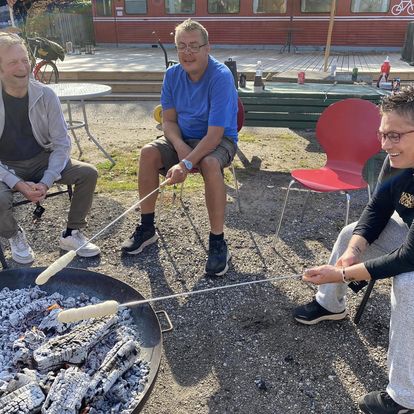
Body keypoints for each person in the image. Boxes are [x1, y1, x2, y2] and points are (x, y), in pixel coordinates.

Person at [294, 86, 414, 413]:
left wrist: (343, 272)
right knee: (350, 233)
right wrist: (354, 249)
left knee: (408, 284)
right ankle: (330, 304)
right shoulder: (398, 159)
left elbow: (408, 259)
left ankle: (404, 398)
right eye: (382, 135)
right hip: (410, 233)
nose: (385, 145)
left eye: (395, 136)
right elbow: (377, 207)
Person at [121, 18, 238, 276]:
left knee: (208, 162)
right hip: (183, 137)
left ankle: (218, 242)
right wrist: (180, 147)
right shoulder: (172, 75)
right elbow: (169, 121)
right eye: (182, 46)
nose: (187, 52)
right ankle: (147, 227)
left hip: (219, 139)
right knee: (148, 153)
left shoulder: (220, 77)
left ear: (208, 48)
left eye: (194, 46)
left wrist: (186, 162)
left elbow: (215, 134)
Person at [0, 32, 100, 264]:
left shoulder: (46, 95)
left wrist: (46, 180)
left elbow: (62, 144)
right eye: (13, 62)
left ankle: (71, 233)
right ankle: (14, 235)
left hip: (40, 159)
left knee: (88, 173)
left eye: (25, 59)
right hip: (5, 167)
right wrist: (18, 184)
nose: (22, 66)